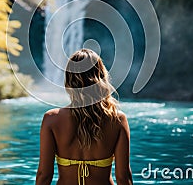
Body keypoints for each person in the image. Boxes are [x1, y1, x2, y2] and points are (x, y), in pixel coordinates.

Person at [36, 48, 133, 185]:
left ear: (69, 81)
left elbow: (44, 175)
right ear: (101, 77)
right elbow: (123, 177)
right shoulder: (117, 119)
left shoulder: (52, 119)